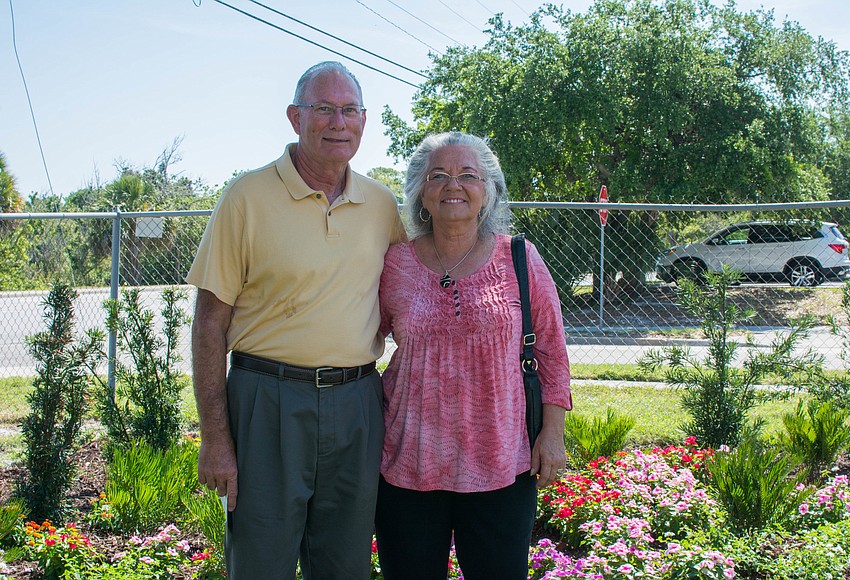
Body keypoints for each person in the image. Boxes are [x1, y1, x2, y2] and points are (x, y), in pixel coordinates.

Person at [186, 61, 406, 580]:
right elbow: (209, 325)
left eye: (349, 110)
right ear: (294, 117)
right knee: (261, 563)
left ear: (364, 119)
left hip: (357, 403)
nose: (338, 122)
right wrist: (215, 437)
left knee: (345, 565)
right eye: (323, 109)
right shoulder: (246, 198)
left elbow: (406, 300)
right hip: (267, 402)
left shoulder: (381, 204)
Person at [374, 132, 573, 580]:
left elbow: (551, 352)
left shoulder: (519, 257)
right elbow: (359, 338)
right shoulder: (394, 263)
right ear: (421, 192)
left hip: (501, 464)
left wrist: (552, 434)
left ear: (488, 190)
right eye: (438, 176)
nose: (453, 185)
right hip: (409, 463)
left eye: (468, 175)